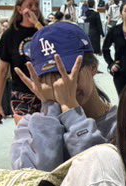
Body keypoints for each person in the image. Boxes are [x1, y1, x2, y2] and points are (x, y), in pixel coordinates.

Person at [8, 21, 118, 171]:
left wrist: (72, 112)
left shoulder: (121, 124)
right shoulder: (30, 126)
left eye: (68, 73)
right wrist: (49, 108)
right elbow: (38, 178)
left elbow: (100, 173)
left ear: (93, 68)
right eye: (48, 77)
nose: (62, 85)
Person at [0, 0, 44, 123]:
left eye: (37, 5)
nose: (34, 8)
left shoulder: (44, 30)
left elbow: (53, 46)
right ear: (19, 9)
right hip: (21, 94)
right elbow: (2, 70)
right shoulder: (10, 34)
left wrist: (37, 24)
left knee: (46, 132)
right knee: (25, 131)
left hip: (45, 93)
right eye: (30, 5)